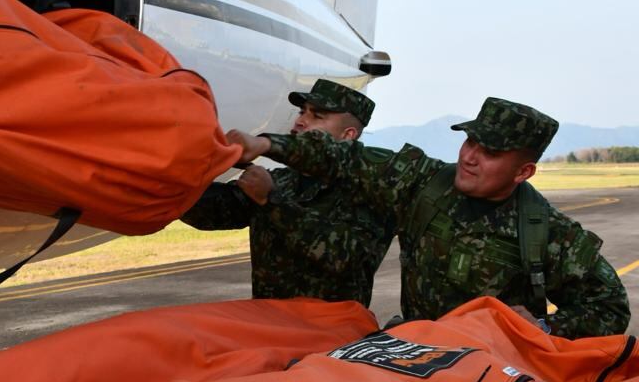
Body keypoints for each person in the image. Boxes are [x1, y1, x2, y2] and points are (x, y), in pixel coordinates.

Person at [227, 96, 630, 338]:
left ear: (523, 172)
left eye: (489, 152)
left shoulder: (549, 233)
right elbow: (345, 159)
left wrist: (543, 328)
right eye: (470, 140)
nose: (469, 156)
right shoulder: (422, 182)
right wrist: (265, 144)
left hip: (490, 376)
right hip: (417, 356)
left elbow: (610, 307)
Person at [182, 80, 395, 307]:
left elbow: (346, 260)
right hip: (272, 325)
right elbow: (216, 211)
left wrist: (272, 202)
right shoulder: (281, 180)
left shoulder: (370, 190)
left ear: (347, 135)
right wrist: (176, 181)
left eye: (317, 116)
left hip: (333, 330)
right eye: (302, 112)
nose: (300, 121)